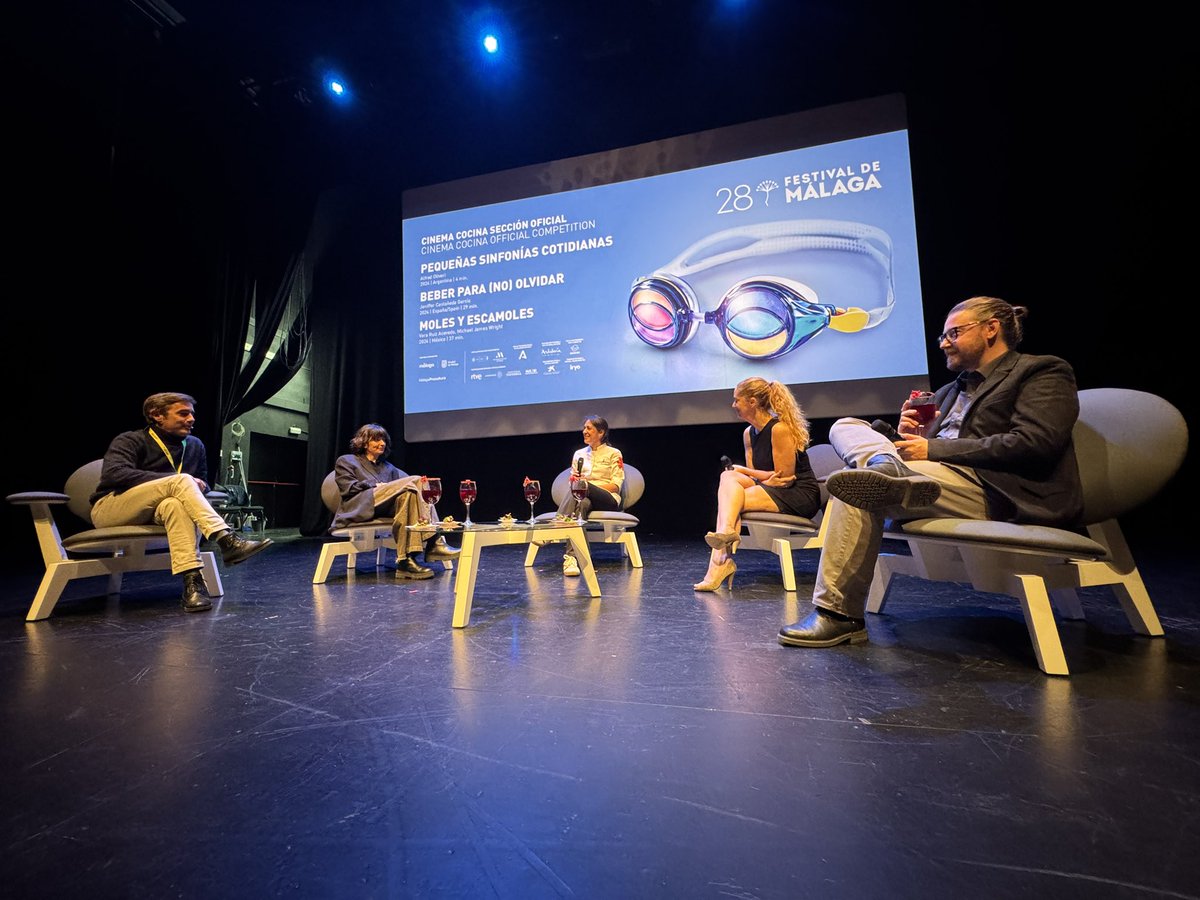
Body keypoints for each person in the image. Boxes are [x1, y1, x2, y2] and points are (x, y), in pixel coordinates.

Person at [778, 296, 1083, 648]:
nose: (943, 343)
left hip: (993, 488)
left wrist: (932, 448)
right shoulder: (949, 391)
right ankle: (885, 466)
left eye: (953, 333)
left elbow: (1035, 443)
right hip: (933, 479)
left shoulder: (1041, 371)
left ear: (991, 329)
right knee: (845, 427)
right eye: (943, 336)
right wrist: (908, 437)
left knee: (856, 487)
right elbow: (928, 445)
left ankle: (838, 616)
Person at [89, 392, 274, 613]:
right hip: (113, 508)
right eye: (183, 413)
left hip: (159, 511)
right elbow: (114, 475)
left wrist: (201, 486)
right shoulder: (130, 440)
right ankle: (226, 540)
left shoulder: (195, 446)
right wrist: (175, 481)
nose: (191, 419)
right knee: (182, 480)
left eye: (192, 414)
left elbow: (202, 481)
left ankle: (193, 585)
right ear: (157, 415)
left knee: (175, 505)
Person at [694, 377, 822, 591]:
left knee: (730, 503)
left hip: (798, 493)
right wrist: (759, 478)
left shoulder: (779, 429)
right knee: (727, 478)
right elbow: (760, 478)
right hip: (770, 487)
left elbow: (785, 477)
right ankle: (725, 538)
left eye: (737, 400)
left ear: (752, 402)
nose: (733, 405)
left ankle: (718, 566)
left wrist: (745, 471)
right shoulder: (748, 433)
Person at [330, 423, 460, 580]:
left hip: (386, 508)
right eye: (377, 439)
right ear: (364, 442)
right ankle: (435, 543)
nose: (382, 443)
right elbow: (348, 488)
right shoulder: (347, 461)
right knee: (417, 480)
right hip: (361, 504)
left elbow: (404, 493)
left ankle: (406, 560)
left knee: (409, 495)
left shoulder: (389, 468)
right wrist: (376, 485)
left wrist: (393, 488)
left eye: (384, 440)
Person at [556, 415, 625, 576]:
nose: (584, 431)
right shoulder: (578, 454)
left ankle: (555, 526)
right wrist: (581, 487)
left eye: (589, 428)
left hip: (608, 499)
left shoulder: (614, 453)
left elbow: (615, 486)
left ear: (601, 433)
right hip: (584, 498)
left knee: (581, 487)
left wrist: (588, 486)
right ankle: (573, 559)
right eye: (584, 428)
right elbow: (572, 484)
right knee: (581, 504)